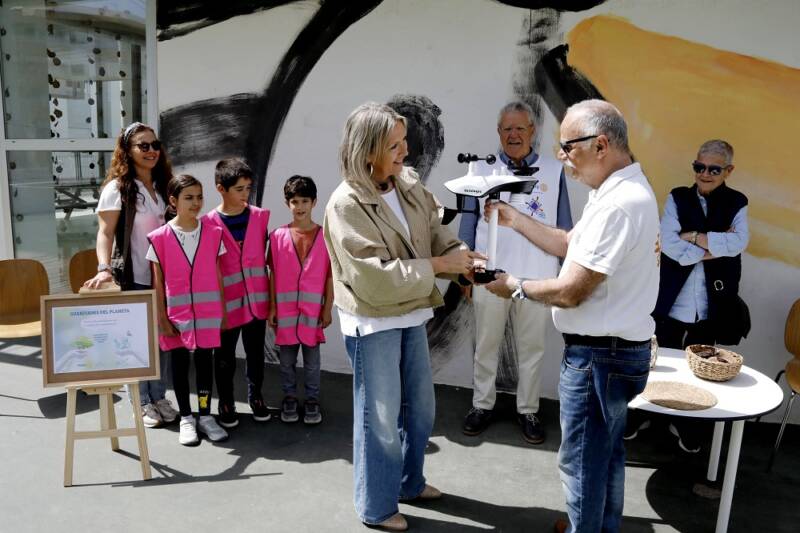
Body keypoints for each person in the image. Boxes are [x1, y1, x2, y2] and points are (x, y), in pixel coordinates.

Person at [484, 99, 660, 533]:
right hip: (614, 353)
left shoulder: (619, 204)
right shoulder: (616, 193)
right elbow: (568, 243)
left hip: (600, 358)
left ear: (601, 145)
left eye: (568, 147)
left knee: (581, 463)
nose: (561, 157)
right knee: (605, 457)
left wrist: (515, 286)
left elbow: (571, 291)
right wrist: (515, 219)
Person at [324, 102, 485, 531]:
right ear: (368, 150)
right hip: (373, 322)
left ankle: (409, 483)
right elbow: (374, 280)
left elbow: (435, 231)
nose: (405, 151)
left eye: (404, 141)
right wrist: (440, 266)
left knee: (420, 410)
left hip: (411, 313)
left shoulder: (408, 182)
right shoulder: (346, 204)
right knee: (379, 418)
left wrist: (460, 258)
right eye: (394, 145)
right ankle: (376, 506)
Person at [458, 101, 573, 444]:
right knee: (486, 344)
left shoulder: (553, 170)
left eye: (520, 128)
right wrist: (466, 270)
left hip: (537, 277)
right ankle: (482, 404)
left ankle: (528, 410)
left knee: (532, 348)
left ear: (532, 131)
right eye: (507, 128)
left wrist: (564, 276)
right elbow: (468, 222)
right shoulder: (481, 169)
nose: (513, 135)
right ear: (498, 131)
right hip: (490, 274)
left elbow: (565, 227)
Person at [626, 140, 749, 453]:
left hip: (711, 302)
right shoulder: (678, 197)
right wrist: (714, 248)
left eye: (714, 169)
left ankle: (687, 424)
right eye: (699, 167)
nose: (705, 173)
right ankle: (643, 415)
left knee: (701, 368)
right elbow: (669, 245)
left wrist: (691, 237)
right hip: (671, 298)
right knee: (656, 361)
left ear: (728, 171)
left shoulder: (737, 202)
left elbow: (739, 243)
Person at [83, 122, 179, 428]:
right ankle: (141, 401)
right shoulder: (118, 188)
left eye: (155, 145)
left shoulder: (165, 185)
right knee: (136, 342)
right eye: (143, 146)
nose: (152, 151)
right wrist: (104, 268)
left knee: (163, 338)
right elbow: (105, 233)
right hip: (134, 276)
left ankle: (159, 396)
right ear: (127, 150)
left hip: (164, 278)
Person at [146, 174, 230, 446]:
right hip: (176, 316)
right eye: (189, 198)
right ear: (173, 201)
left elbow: (218, 274)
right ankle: (186, 417)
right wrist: (162, 318)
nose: (196, 203)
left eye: (199, 197)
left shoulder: (214, 233)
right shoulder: (159, 238)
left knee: (205, 366)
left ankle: (205, 415)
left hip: (207, 314)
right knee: (179, 367)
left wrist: (222, 311)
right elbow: (157, 283)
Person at [203, 159, 272, 428]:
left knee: (255, 354)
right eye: (239, 189)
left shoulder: (259, 217)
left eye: (248, 188)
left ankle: (256, 396)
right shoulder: (208, 224)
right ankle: (226, 401)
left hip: (257, 301)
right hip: (226, 304)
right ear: (221, 188)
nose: (246, 194)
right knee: (224, 357)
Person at [268, 175, 332, 425]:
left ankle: (312, 399)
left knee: (313, 362)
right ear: (288, 203)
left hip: (312, 313)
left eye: (305, 201)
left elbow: (330, 276)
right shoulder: (277, 236)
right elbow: (273, 273)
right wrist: (272, 307)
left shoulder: (325, 237)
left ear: (314, 202)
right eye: (295, 201)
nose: (300, 206)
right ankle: (290, 397)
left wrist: (327, 308)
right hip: (285, 314)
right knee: (286, 361)